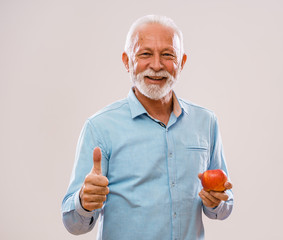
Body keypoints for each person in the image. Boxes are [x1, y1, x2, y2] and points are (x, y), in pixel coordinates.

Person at [61, 15, 234, 240]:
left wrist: (217, 202)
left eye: (167, 55)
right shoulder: (100, 127)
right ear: (127, 61)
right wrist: (84, 201)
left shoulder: (206, 122)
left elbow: (224, 203)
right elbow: (73, 224)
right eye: (145, 54)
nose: (156, 65)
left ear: (181, 63)